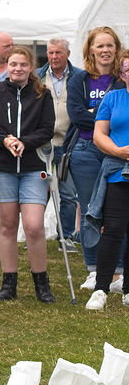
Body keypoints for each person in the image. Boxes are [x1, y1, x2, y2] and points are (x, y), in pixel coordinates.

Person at [0, 44, 57, 302]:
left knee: (33, 226)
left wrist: (25, 142)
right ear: (6, 66)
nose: (18, 68)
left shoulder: (42, 94)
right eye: (13, 64)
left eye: (23, 64)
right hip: (2, 168)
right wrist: (4, 140)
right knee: (8, 226)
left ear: (31, 66)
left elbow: (47, 129)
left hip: (33, 167)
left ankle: (41, 283)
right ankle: (8, 282)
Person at [67, 27, 125, 281]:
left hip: (117, 152)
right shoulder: (79, 80)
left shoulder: (123, 80)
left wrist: (97, 116)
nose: (105, 50)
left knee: (118, 213)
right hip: (86, 151)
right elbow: (77, 116)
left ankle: (118, 272)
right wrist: (107, 119)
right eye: (100, 45)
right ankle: (93, 269)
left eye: (110, 45)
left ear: (117, 48)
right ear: (90, 49)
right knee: (90, 210)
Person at [86, 81, 129, 310]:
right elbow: (99, 134)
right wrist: (118, 151)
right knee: (112, 230)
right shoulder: (112, 98)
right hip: (117, 172)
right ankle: (101, 289)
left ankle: (128, 291)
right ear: (124, 73)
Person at [38, 37, 79, 237]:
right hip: (40, 142)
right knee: (36, 193)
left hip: (68, 143)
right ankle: (34, 234)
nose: (54, 56)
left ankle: (66, 236)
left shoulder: (79, 76)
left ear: (68, 54)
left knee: (68, 193)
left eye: (58, 52)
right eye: (50, 52)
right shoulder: (36, 76)